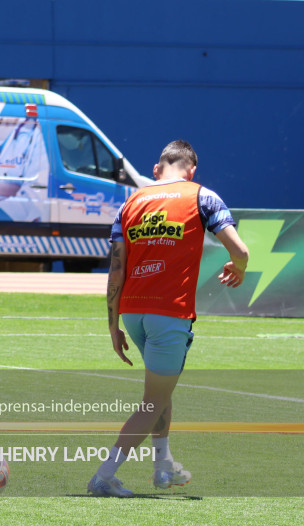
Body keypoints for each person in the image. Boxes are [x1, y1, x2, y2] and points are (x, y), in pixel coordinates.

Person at [88, 140, 249, 497]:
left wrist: (112, 325)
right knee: (152, 402)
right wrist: (237, 267)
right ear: (191, 170)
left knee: (160, 391)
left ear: (158, 169)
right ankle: (104, 475)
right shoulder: (201, 196)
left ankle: (164, 466)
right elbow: (240, 249)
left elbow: (116, 270)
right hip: (169, 314)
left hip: (132, 312)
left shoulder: (131, 202)